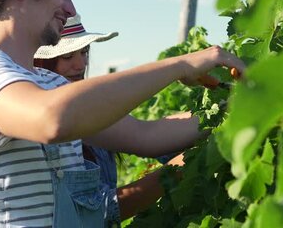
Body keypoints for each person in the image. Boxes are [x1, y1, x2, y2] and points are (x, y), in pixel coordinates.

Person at [0, 0, 245, 227]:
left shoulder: (50, 82)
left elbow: (145, 136)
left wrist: (240, 108)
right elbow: (52, 119)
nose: (70, 9)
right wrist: (179, 65)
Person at [34, 14, 196, 226]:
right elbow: (101, 211)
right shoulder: (39, 128)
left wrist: (223, 112)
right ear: (41, 62)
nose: (80, 64)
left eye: (84, 53)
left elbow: (147, 134)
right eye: (67, 57)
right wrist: (177, 170)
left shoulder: (89, 111)